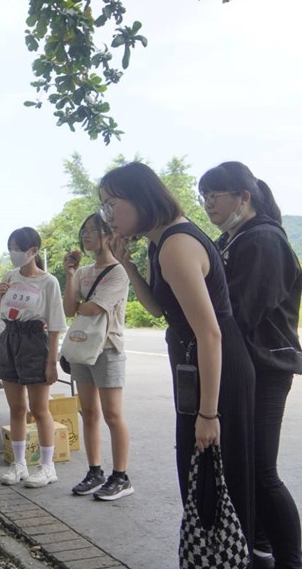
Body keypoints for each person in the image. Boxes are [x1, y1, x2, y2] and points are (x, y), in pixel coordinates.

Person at [99, 162, 255, 555]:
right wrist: (129, 266)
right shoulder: (159, 242)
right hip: (196, 364)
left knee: (216, 482)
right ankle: (214, 558)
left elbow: (210, 333)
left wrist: (208, 413)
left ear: (140, 199)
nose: (108, 216)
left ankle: (226, 559)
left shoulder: (176, 244)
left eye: (112, 204)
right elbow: (157, 309)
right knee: (200, 478)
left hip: (214, 367)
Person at [199, 161, 302, 569]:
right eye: (203, 195)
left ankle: (291, 560)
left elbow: (240, 311)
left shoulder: (261, 240)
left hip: (265, 368)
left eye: (215, 195)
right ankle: (260, 548)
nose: (208, 204)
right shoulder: (233, 239)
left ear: (244, 197)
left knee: (261, 469)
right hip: (246, 366)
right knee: (244, 466)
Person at [63, 213, 133, 501]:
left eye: (93, 231)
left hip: (108, 348)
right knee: (88, 412)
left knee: (112, 414)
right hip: (82, 348)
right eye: (84, 232)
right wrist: (69, 276)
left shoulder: (118, 272)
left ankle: (121, 476)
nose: (87, 237)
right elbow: (70, 308)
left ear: (107, 234)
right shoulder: (82, 272)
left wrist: (82, 303)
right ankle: (95, 471)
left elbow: (94, 308)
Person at [0, 227, 68, 488]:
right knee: (17, 408)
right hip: (10, 338)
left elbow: (56, 323)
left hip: (35, 340)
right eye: (10, 248)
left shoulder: (48, 282)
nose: (13, 254)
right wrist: (0, 295)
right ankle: (19, 464)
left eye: (17, 248)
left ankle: (47, 467)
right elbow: (2, 312)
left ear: (33, 251)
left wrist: (52, 362)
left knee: (39, 409)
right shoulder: (9, 276)